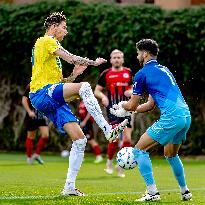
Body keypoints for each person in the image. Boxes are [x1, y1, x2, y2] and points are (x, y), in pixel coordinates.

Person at [29, 12, 127, 196]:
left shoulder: (50, 55)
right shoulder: (46, 40)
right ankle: (107, 129)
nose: (66, 32)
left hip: (51, 98)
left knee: (80, 140)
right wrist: (93, 63)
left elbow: (63, 82)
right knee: (85, 87)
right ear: (54, 26)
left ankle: (69, 187)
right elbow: (72, 58)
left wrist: (74, 75)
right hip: (40, 93)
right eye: (64, 27)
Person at [110, 39, 192, 202]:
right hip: (185, 116)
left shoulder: (142, 74)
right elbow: (149, 105)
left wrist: (122, 106)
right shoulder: (164, 70)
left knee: (139, 150)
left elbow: (132, 104)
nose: (137, 55)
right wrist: (127, 108)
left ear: (145, 53)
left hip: (172, 117)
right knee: (170, 154)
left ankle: (152, 193)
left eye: (139, 53)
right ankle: (185, 192)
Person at [94, 49, 133, 177]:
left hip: (127, 108)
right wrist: (103, 97)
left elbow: (134, 88)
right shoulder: (106, 73)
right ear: (111, 60)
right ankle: (110, 162)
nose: (117, 59)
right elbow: (97, 91)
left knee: (127, 138)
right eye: (114, 57)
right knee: (115, 138)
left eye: (119, 57)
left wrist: (131, 92)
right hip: (113, 110)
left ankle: (121, 166)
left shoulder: (128, 72)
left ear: (122, 59)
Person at [22, 84, 49, 165]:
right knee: (31, 136)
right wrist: (29, 111)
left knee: (45, 135)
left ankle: (36, 155)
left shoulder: (46, 85)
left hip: (41, 115)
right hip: (32, 115)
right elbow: (24, 99)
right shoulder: (31, 85)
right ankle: (29, 158)